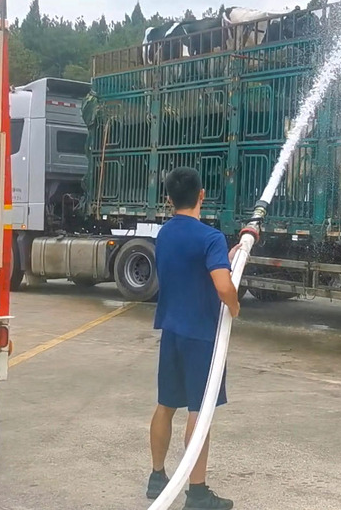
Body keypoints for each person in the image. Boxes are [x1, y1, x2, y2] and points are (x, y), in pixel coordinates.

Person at [147, 166, 241, 510]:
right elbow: (221, 286)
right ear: (202, 195)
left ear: (169, 199)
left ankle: (157, 476)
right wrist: (234, 305)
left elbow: (192, 269)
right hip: (201, 335)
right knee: (199, 413)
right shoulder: (210, 238)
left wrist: (224, 260)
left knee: (166, 405)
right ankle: (197, 493)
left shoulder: (164, 235)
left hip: (171, 330)